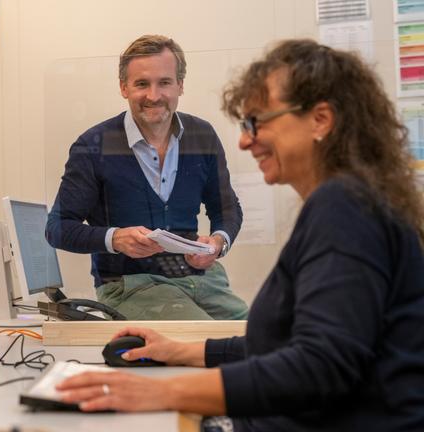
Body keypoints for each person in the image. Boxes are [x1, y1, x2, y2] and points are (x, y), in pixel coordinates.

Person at [56, 39, 424, 430]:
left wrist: (163, 392)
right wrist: (184, 351)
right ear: (124, 87)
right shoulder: (354, 201)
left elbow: (317, 367)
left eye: (257, 123)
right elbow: (286, 348)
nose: (245, 141)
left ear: (320, 120)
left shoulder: (345, 209)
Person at [45, 35, 247, 320]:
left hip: (203, 280)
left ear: (180, 85)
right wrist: (114, 238)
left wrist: (217, 242)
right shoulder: (93, 145)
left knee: (265, 339)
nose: (153, 96)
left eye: (164, 82)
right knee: (209, 343)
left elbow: (226, 208)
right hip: (130, 286)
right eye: (142, 84)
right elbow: (57, 228)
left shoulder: (202, 135)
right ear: (123, 87)